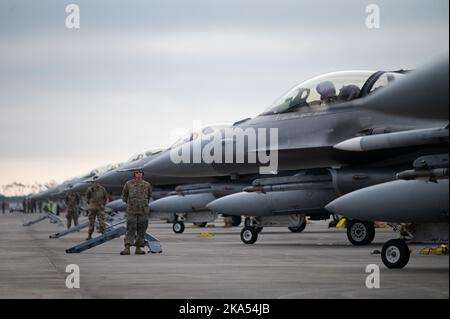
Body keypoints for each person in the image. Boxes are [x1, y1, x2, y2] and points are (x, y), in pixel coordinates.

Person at [120, 169, 152, 255]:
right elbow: (124, 195)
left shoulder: (147, 185)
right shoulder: (128, 184)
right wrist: (131, 203)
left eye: (140, 172)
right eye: (137, 172)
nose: (139, 174)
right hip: (132, 210)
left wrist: (143, 203)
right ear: (134, 174)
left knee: (142, 229)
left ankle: (138, 248)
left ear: (142, 174)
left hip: (143, 210)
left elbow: (149, 196)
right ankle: (127, 248)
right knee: (130, 228)